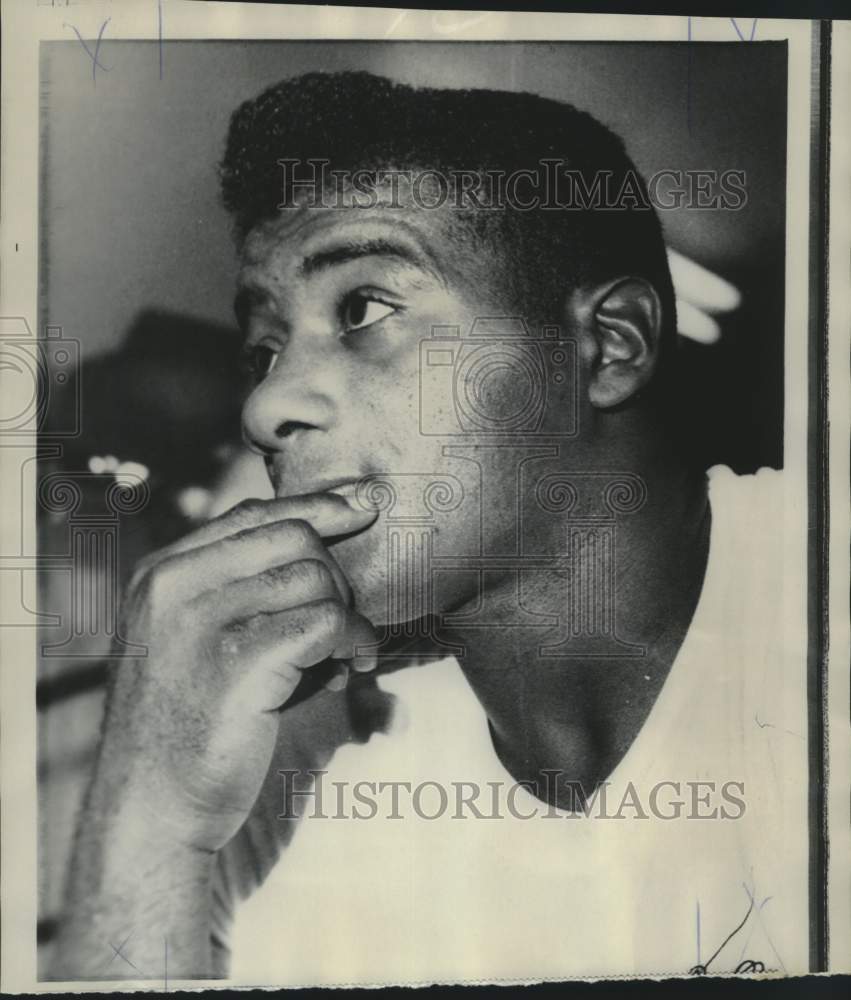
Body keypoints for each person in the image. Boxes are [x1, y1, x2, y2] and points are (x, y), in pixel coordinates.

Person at [51, 72, 808, 983]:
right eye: (264, 350)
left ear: (608, 345)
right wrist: (154, 804)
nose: (266, 406)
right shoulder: (323, 779)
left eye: (363, 308)